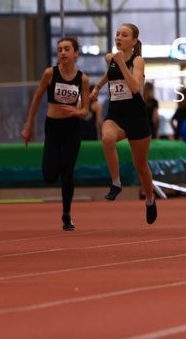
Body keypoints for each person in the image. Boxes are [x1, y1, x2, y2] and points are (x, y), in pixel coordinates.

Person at [89, 23, 158, 224]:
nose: (119, 37)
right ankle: (116, 182)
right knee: (107, 138)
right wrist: (97, 88)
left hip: (137, 118)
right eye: (117, 34)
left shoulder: (138, 60)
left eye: (124, 35)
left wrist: (121, 63)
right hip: (116, 116)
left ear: (134, 41)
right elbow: (109, 74)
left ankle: (150, 199)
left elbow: (135, 87)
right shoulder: (111, 58)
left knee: (141, 166)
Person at [21, 37, 91, 231]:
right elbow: (37, 98)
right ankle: (59, 161)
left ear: (75, 53)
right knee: (49, 175)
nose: (63, 53)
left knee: (68, 174)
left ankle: (66, 214)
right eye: (59, 49)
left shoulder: (83, 79)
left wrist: (77, 111)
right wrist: (28, 125)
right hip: (53, 127)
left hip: (72, 128)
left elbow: (86, 111)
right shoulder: (50, 73)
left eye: (67, 49)